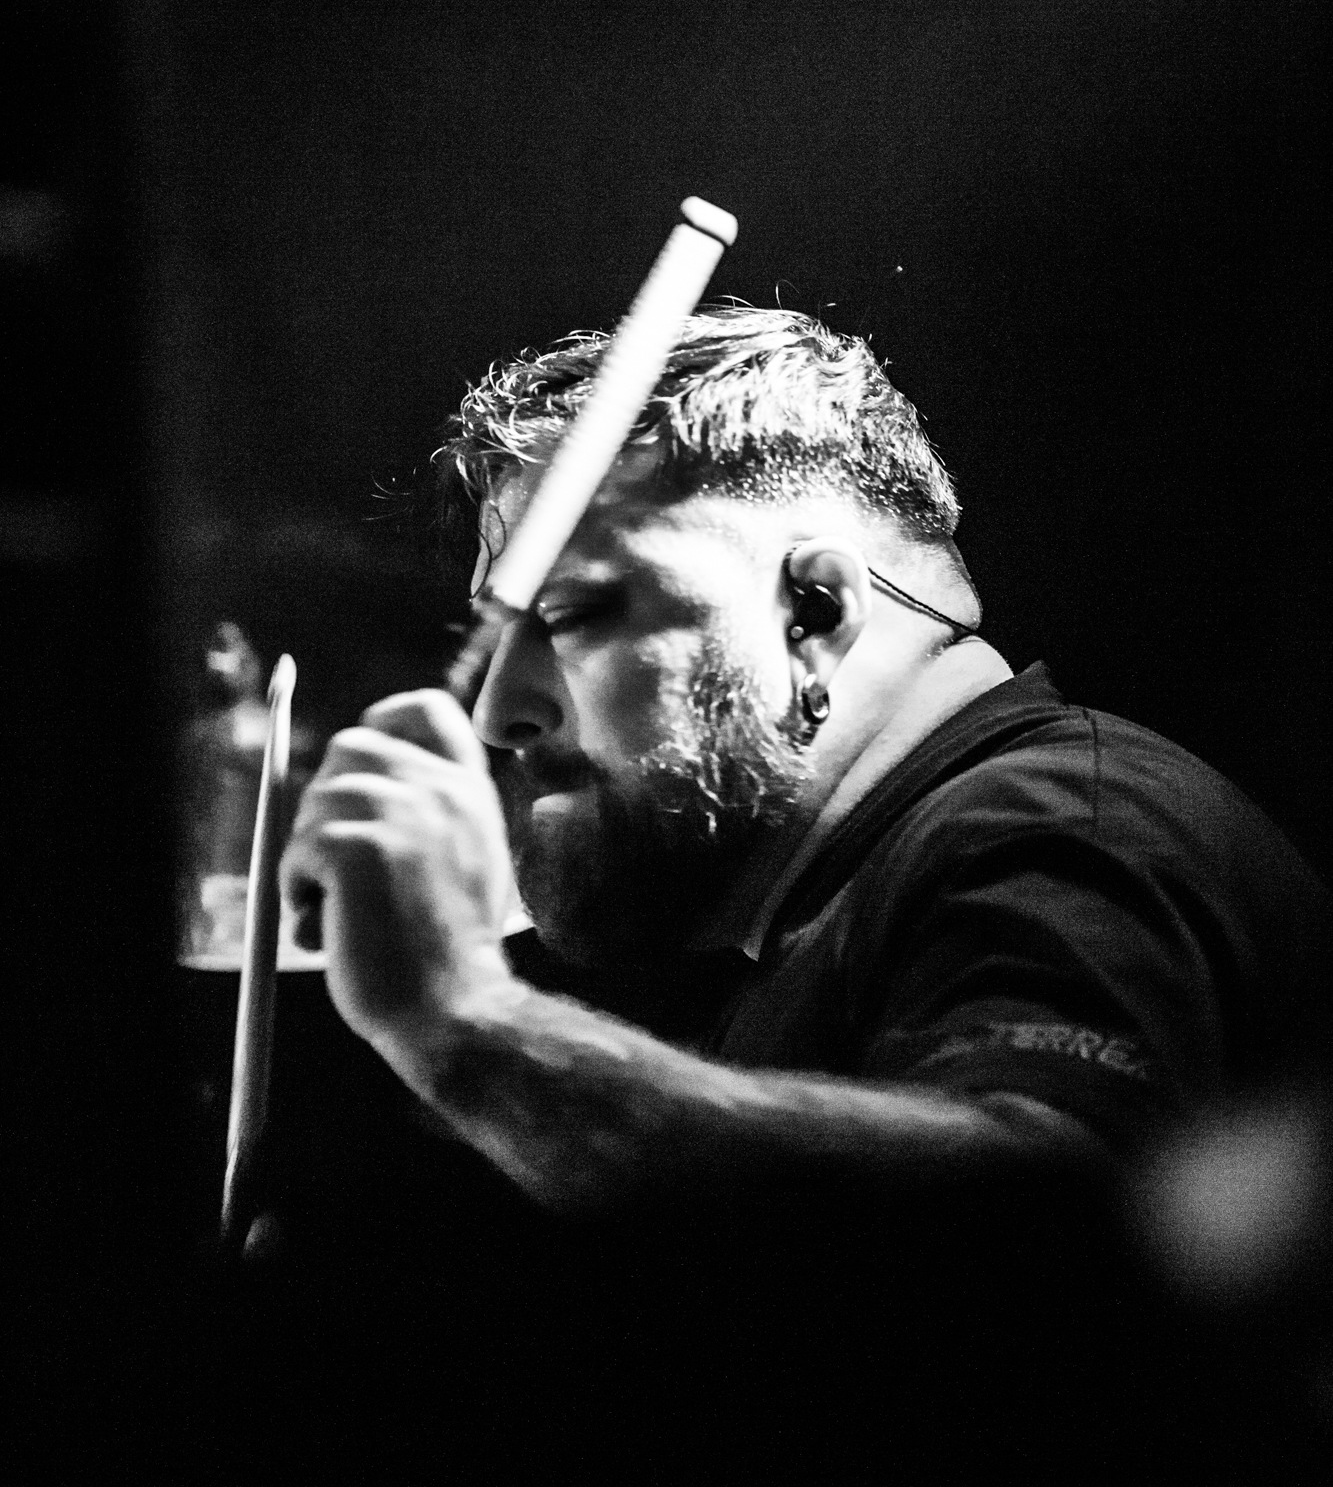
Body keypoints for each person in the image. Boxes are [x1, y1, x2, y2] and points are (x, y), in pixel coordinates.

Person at [279, 305, 1330, 1216]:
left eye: (569, 614)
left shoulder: (1058, 829)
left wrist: (460, 1020)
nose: (498, 710)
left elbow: (1038, 1235)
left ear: (815, 611)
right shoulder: (851, 892)